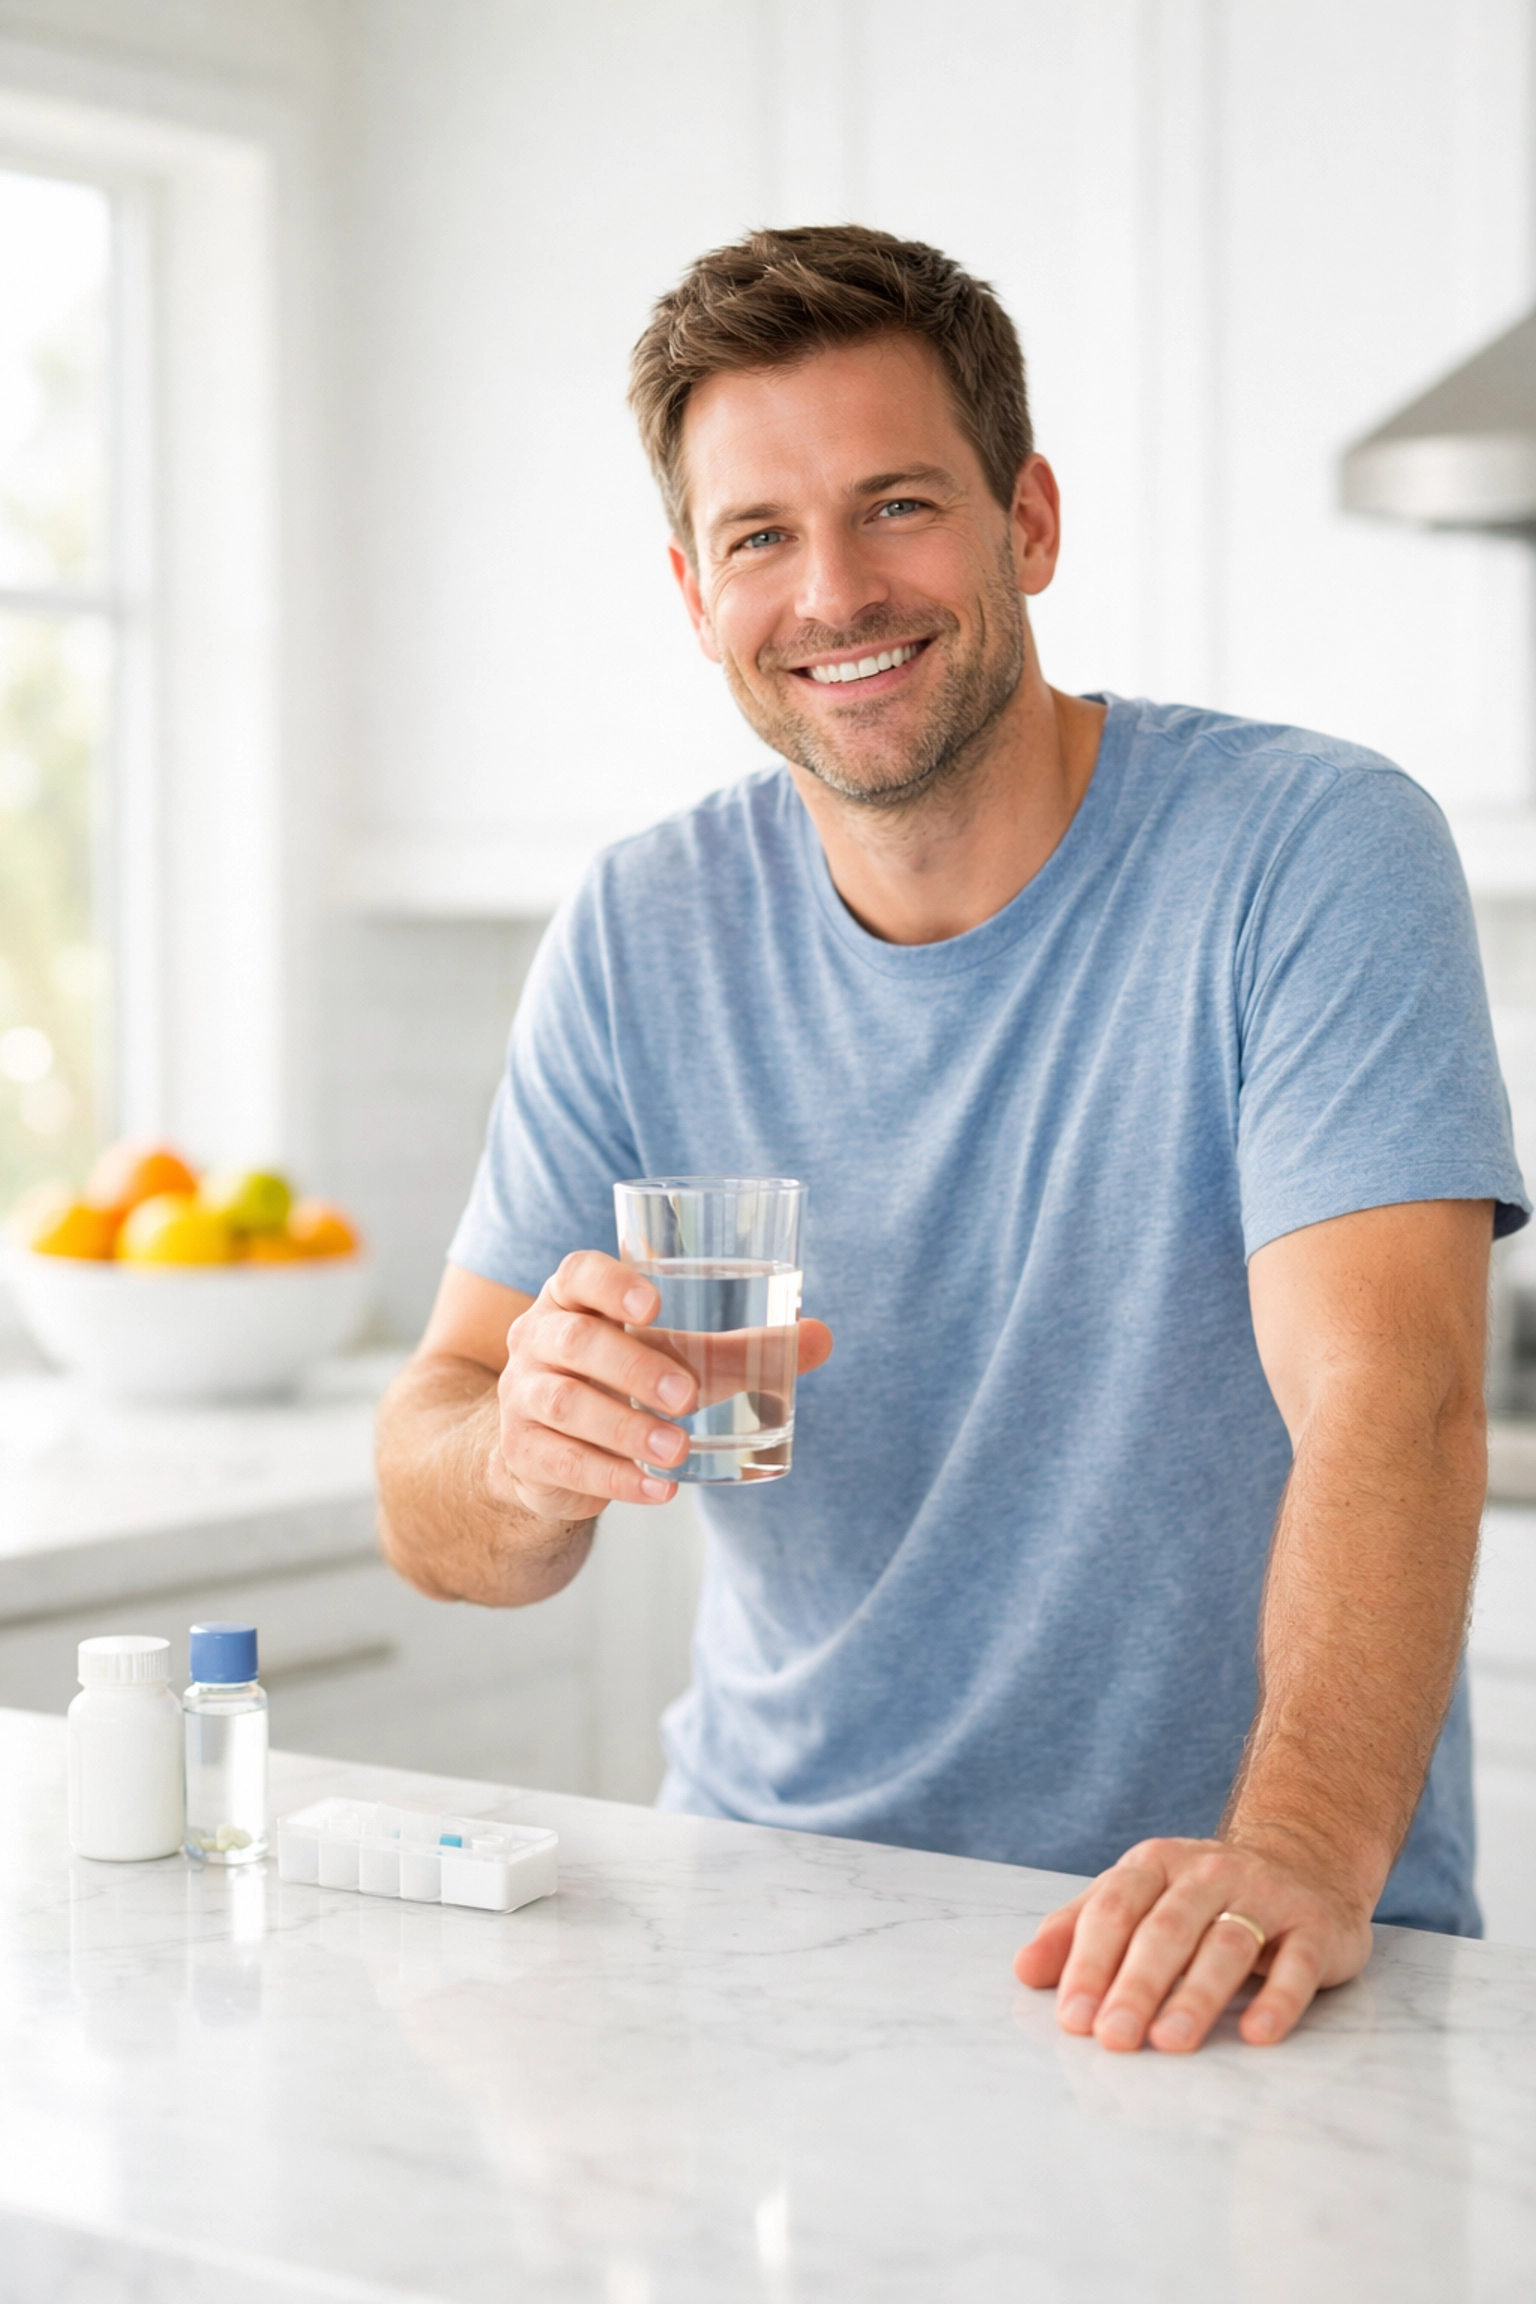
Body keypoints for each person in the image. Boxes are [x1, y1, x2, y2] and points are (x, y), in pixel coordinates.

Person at [375, 225, 1528, 2056]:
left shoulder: (1306, 852)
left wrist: (1296, 1846)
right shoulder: (641, 923)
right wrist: (523, 1462)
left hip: (1223, 1949)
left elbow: (1394, 1405)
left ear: (1030, 524)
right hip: (769, 1933)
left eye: (897, 505)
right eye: (760, 536)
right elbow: (436, 1472)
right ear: (695, 592)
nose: (833, 591)